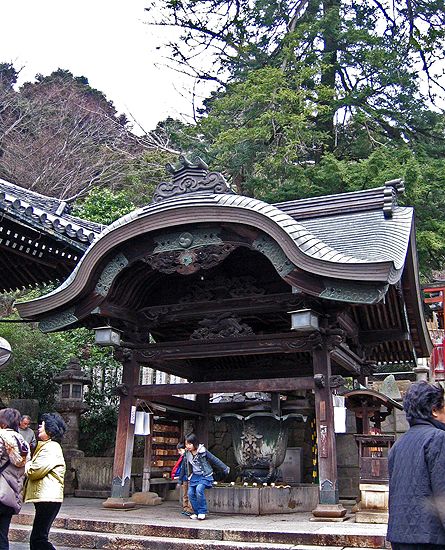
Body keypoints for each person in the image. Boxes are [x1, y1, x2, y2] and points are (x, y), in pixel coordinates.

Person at [387, 381, 445, 549]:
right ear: (434, 410)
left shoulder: (399, 444)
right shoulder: (438, 437)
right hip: (430, 537)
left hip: (399, 535)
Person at [24, 413, 66, 550]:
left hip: (49, 498)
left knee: (39, 539)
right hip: (46, 498)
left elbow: (34, 471)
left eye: (42, 426)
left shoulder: (51, 448)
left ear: (50, 429)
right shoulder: (46, 446)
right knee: (38, 537)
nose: (39, 429)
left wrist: (26, 463)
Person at [0, 408, 30, 550]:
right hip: (11, 496)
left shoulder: (1, 437)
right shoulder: (22, 441)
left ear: (4, 423)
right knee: (2, 536)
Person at [182, 433, 229, 521]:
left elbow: (214, 459)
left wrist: (225, 468)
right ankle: (197, 512)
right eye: (186, 444)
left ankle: (202, 511)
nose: (187, 446)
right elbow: (185, 465)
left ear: (194, 443)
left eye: (189, 444)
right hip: (195, 476)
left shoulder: (202, 451)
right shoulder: (187, 453)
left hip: (205, 475)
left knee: (199, 490)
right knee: (190, 493)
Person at [171, 442, 194, 516]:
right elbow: (181, 470)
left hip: (190, 477)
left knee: (190, 494)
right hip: (184, 478)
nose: (179, 452)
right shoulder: (182, 458)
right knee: (185, 494)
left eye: (180, 450)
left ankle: (190, 509)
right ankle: (185, 507)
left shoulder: (189, 457)